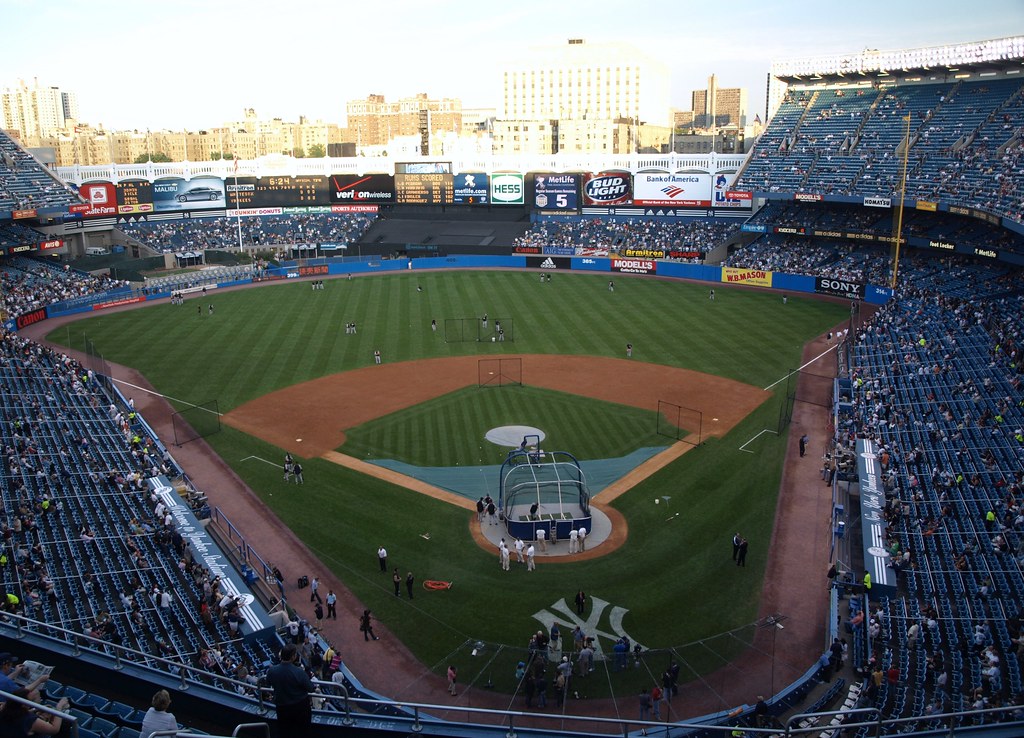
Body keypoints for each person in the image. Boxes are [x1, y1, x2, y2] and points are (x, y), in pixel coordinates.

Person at [266, 644, 314, 738]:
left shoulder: (272, 671)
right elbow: (310, 688)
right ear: (293, 657)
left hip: (282, 706)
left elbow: (268, 683)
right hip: (300, 707)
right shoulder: (299, 672)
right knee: (304, 732)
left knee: (285, 732)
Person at [0, 687, 69, 736]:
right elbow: (54, 729)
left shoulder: (3, 708)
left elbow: (18, 715)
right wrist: (59, 707)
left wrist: (35, 710)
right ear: (23, 705)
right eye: (30, 702)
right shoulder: (29, 720)